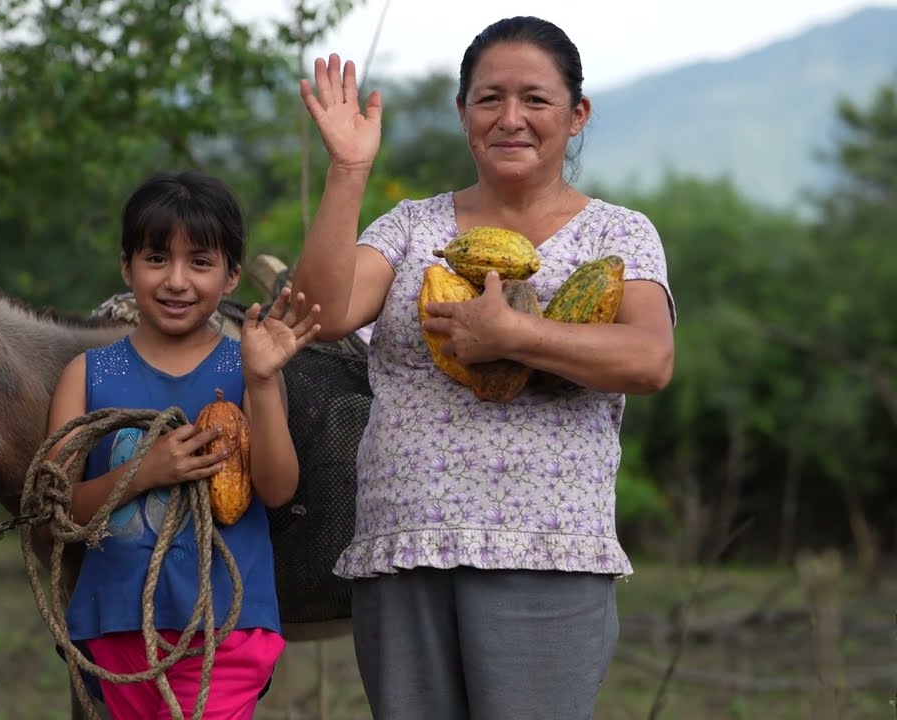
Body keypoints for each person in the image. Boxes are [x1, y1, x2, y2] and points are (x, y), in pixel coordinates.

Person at [292, 15, 677, 720]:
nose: (511, 118)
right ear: (463, 111)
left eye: (536, 98)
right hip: (404, 547)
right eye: (489, 98)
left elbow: (650, 360)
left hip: (548, 551)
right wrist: (348, 171)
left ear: (577, 114)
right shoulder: (411, 227)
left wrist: (513, 334)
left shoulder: (618, 234)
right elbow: (320, 313)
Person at [45, 169, 321, 719]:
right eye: (156, 259)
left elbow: (277, 489)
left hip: (228, 629)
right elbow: (56, 512)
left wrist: (263, 383)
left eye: (199, 262)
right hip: (118, 627)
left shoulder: (247, 367)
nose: (176, 280)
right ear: (126, 267)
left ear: (232, 275)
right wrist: (143, 472)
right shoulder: (88, 374)